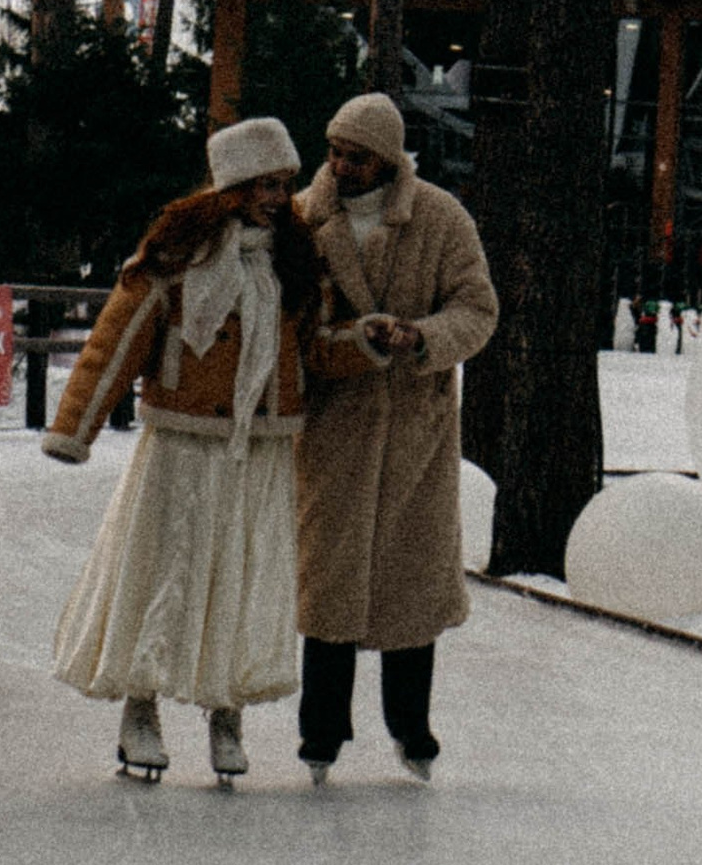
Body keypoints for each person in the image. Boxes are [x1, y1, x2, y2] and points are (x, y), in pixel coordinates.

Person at [43, 116, 358, 785]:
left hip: (260, 449)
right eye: (264, 185)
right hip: (184, 443)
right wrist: (75, 428)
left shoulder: (296, 262)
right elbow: (117, 340)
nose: (277, 198)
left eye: (284, 184)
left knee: (240, 577)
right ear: (231, 186)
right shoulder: (177, 256)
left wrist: (369, 344)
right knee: (165, 573)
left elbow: (315, 349)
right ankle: (140, 708)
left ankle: (226, 711)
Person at [293, 89, 498, 777]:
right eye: (335, 153)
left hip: (417, 430)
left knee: (412, 587)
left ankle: (412, 728)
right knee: (330, 587)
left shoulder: (440, 218)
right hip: (335, 426)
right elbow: (291, 316)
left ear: (386, 160)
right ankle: (321, 734)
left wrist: (423, 337)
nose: (341, 167)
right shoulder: (305, 218)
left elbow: (477, 308)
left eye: (356, 157)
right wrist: (348, 342)